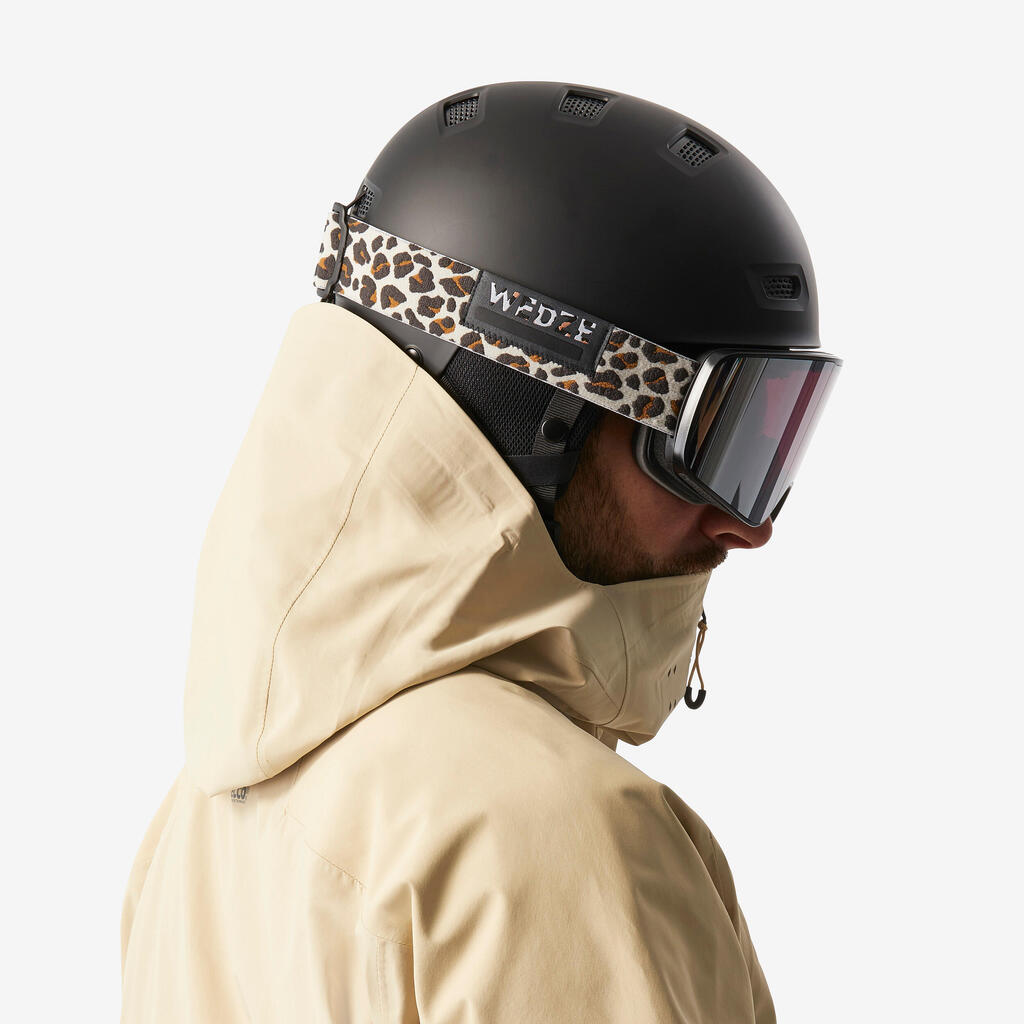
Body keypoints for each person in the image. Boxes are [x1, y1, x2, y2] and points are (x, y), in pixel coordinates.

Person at [120, 81, 841, 1023]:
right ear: (538, 419)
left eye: (774, 448)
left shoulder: (197, 817)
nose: (749, 525)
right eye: (711, 448)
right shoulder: (554, 833)